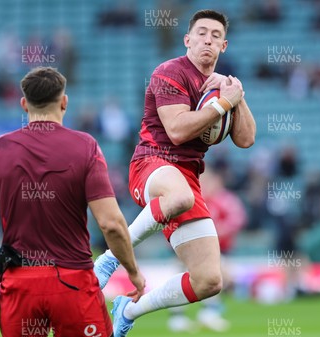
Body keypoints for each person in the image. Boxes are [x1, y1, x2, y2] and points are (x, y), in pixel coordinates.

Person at [94, 10, 256, 337]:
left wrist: (237, 96)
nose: (207, 39)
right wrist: (223, 104)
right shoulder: (169, 72)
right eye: (201, 33)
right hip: (151, 163)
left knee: (209, 280)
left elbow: (247, 139)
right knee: (179, 195)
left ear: (223, 45)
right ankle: (110, 259)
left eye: (214, 35)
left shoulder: (222, 87)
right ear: (187, 40)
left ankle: (129, 311)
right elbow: (178, 131)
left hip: (188, 178)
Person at [0, 67, 145, 337]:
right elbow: (110, 224)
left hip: (20, 286)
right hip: (72, 283)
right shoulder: (85, 147)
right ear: (64, 102)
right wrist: (133, 271)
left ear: (24, 104)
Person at [167, 168, 247, 332]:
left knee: (214, 278)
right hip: (189, 248)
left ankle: (207, 313)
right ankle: (179, 316)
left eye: (209, 181)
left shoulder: (226, 200)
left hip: (218, 249)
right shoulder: (192, 198)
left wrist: (218, 231)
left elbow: (238, 219)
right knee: (184, 277)